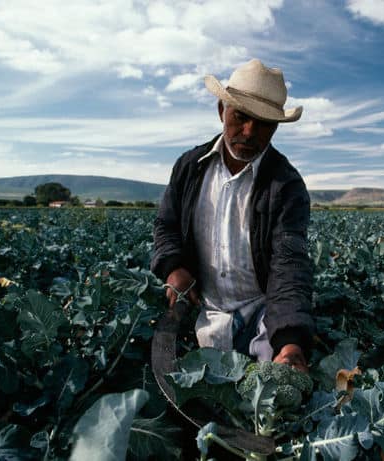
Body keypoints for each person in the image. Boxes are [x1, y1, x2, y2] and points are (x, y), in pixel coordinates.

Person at [151, 58, 313, 373]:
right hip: (201, 305)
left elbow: (289, 265)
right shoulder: (189, 167)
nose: (249, 132)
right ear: (221, 110)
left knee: (279, 390)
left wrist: (291, 342)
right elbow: (166, 225)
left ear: (276, 126)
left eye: (263, 123)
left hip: (263, 314)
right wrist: (174, 268)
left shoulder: (286, 185)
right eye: (240, 117)